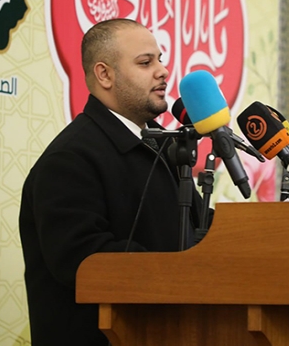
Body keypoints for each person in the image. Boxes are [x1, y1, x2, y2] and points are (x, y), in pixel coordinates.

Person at [19, 18, 204, 345]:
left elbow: (198, 228)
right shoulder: (69, 159)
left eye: (160, 60)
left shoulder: (162, 146)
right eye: (145, 63)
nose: (162, 71)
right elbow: (85, 261)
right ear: (104, 75)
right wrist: (180, 275)